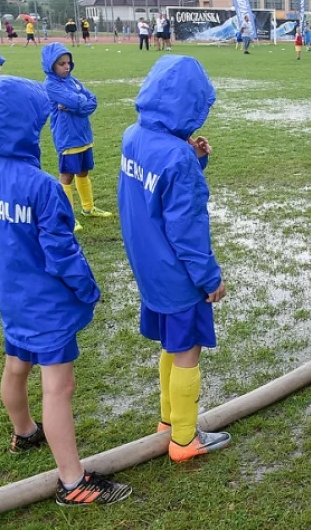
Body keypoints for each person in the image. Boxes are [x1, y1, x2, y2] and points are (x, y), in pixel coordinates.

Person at [0, 76, 132, 506]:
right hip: (48, 305)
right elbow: (62, 253)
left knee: (16, 363)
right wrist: (87, 288)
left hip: (12, 299)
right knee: (59, 387)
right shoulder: (43, 186)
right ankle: (73, 482)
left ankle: (24, 433)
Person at [118, 55, 232, 462]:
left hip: (147, 266)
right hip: (177, 273)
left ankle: (168, 420)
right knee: (187, 350)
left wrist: (194, 160)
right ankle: (185, 438)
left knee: (171, 342)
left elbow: (156, 195)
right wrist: (209, 277)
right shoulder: (177, 157)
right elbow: (186, 228)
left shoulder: (133, 135)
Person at [42, 43, 113, 233]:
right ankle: (68, 217)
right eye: (61, 63)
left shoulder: (73, 81)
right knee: (67, 176)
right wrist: (79, 101)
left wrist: (77, 104)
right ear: (51, 65)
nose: (66, 66)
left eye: (68, 63)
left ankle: (88, 208)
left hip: (83, 134)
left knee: (83, 171)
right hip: (67, 137)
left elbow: (93, 100)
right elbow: (78, 100)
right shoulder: (51, 85)